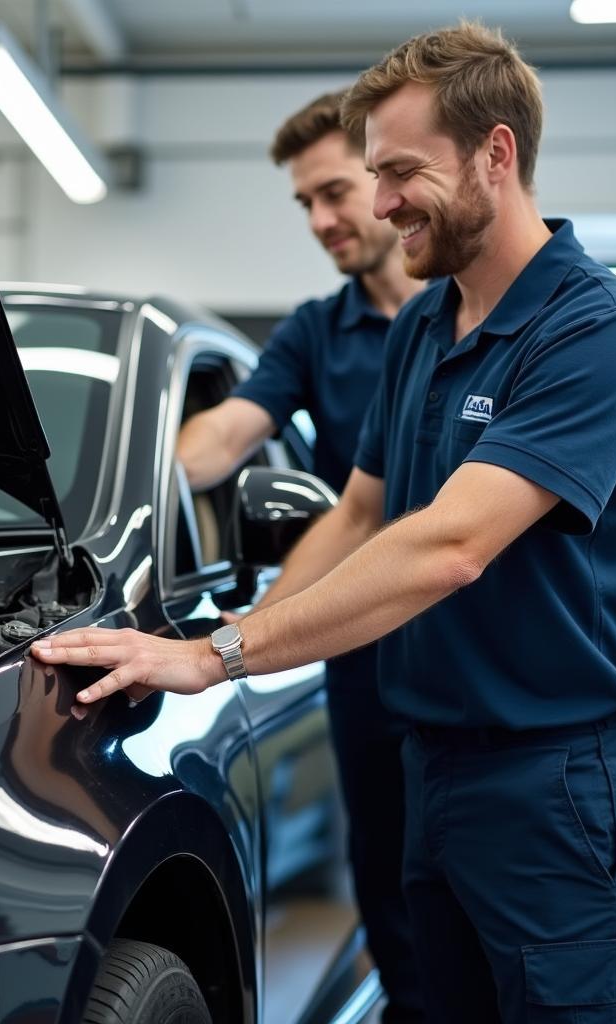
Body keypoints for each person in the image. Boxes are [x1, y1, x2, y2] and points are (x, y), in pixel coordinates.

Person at [33, 22, 616, 1024]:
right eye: (370, 175)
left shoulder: (597, 333)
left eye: (400, 173)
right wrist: (211, 636)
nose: (378, 205)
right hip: (432, 764)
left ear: (495, 154)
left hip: (560, 781)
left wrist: (219, 657)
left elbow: (448, 546)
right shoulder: (427, 321)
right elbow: (361, 511)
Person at [176, 92, 425, 1024]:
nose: (320, 221)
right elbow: (219, 443)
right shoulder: (318, 331)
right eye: (304, 205)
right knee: (395, 897)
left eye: (333, 193)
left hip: (484, 652)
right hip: (364, 656)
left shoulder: (477, 312)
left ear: (390, 175)